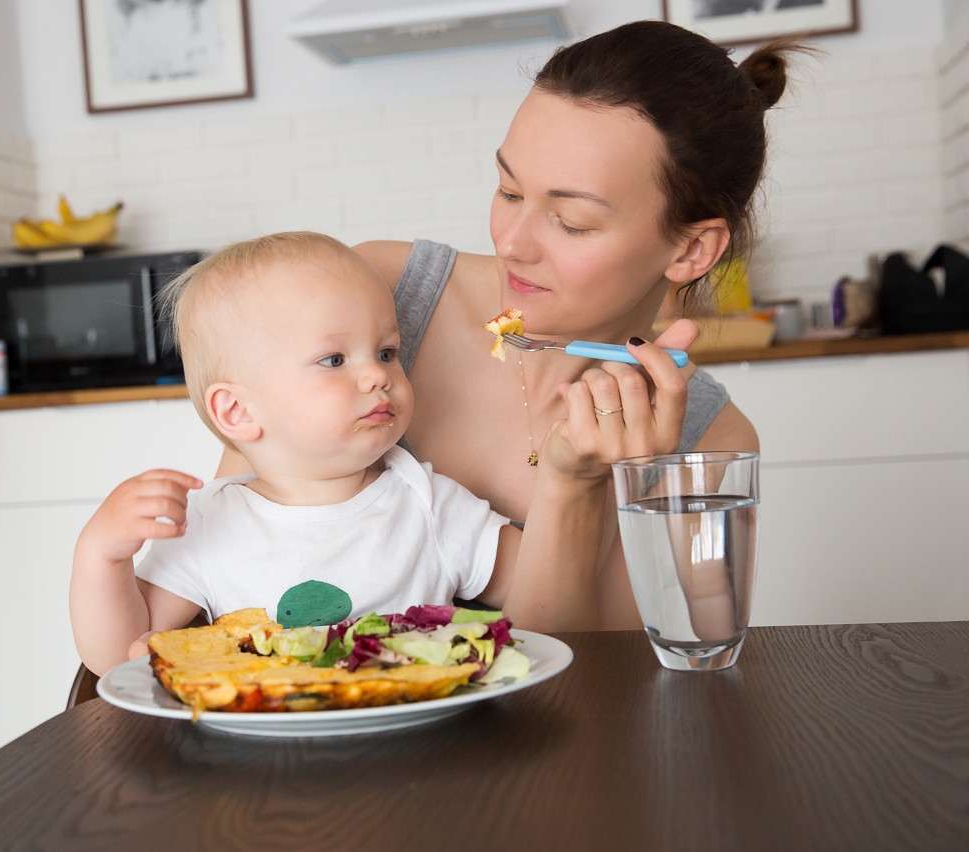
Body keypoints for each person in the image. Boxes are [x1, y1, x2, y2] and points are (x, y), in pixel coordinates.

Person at [221, 21, 799, 632]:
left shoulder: (704, 443)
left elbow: (599, 679)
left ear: (691, 250)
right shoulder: (377, 297)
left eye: (572, 222)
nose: (512, 244)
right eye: (509, 191)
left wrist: (578, 488)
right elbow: (224, 562)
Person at [71, 232, 566, 675]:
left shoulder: (428, 502)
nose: (377, 376)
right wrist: (101, 554)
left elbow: (544, 600)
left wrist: (572, 479)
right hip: (265, 739)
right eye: (334, 359)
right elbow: (120, 657)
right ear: (238, 411)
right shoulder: (207, 525)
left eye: (387, 353)